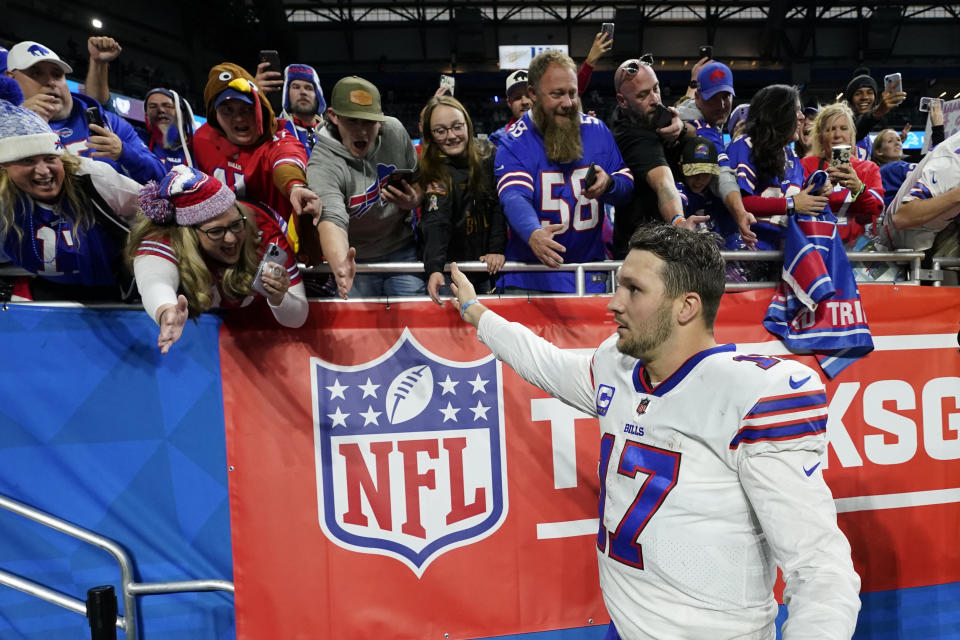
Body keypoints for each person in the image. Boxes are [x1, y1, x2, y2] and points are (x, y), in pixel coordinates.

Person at [446, 224, 861, 640]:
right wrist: (474, 310)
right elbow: (544, 362)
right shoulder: (619, 366)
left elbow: (819, 565)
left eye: (633, 289)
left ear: (686, 307)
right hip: (625, 629)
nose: (613, 303)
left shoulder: (754, 395)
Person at [494, 49, 634, 293]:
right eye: (557, 94)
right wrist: (533, 232)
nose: (568, 103)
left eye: (572, 92)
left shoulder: (598, 131)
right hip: (531, 278)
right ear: (533, 94)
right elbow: (514, 195)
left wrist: (609, 183)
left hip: (588, 277)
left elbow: (626, 184)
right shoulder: (513, 140)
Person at [128, 165, 307, 354]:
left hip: (259, 337)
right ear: (190, 234)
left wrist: (280, 297)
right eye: (216, 231)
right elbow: (155, 282)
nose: (231, 238)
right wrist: (165, 311)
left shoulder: (264, 229)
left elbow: (298, 317)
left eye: (236, 224)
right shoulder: (167, 237)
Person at [0, 92, 141, 301]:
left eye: (50, 159)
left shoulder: (93, 178)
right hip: (50, 289)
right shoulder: (4, 199)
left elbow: (154, 216)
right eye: (28, 161)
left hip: (119, 288)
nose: (44, 171)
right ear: (4, 169)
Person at [306, 75, 424, 298]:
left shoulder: (395, 132)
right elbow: (331, 218)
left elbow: (420, 182)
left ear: (380, 120)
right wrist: (341, 263)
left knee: (412, 321)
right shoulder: (323, 162)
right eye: (352, 120)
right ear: (334, 117)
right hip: (354, 258)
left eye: (368, 121)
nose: (361, 131)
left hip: (401, 248)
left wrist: (414, 199)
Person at [192, 62, 320, 260]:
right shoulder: (202, 139)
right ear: (214, 115)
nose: (239, 118)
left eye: (247, 109)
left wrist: (295, 186)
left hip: (276, 250)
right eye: (228, 110)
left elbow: (286, 163)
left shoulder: (280, 137)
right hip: (224, 249)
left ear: (261, 109)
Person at [5, 40, 165, 184]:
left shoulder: (108, 122)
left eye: (57, 74)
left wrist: (124, 152)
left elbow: (161, 176)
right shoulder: (6, 126)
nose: (51, 82)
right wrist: (19, 126)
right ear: (10, 78)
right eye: (36, 73)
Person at [607, 58, 712, 258]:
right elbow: (663, 183)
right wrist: (679, 223)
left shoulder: (638, 113)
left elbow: (687, 130)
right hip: (644, 251)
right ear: (622, 100)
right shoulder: (633, 137)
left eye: (656, 88)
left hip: (656, 245)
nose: (655, 99)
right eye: (643, 95)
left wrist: (680, 126)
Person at [417, 95, 507, 304]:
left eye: (457, 127)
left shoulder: (487, 157)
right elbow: (436, 221)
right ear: (430, 135)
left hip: (485, 268)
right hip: (449, 272)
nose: (451, 136)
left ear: (468, 125)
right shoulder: (430, 168)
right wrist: (435, 269)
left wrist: (496, 249)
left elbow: (497, 207)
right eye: (440, 131)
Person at [723, 84, 828, 254]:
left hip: (781, 254)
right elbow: (740, 202)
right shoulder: (745, 145)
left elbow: (799, 202)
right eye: (795, 110)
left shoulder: (791, 155)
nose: (801, 117)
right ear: (777, 113)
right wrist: (791, 204)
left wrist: (818, 190)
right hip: (744, 252)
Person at [801, 102, 884, 246]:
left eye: (843, 128)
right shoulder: (806, 165)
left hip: (856, 252)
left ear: (852, 134)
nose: (837, 135)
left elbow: (875, 212)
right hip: (816, 246)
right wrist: (817, 190)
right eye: (830, 129)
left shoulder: (868, 168)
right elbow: (796, 206)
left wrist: (859, 189)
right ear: (820, 136)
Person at [878, 129, 960, 259]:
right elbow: (901, 217)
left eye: (898, 140)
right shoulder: (890, 169)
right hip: (908, 243)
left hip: (933, 231)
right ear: (878, 151)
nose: (897, 144)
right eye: (890, 141)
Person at [843, 72, 906, 160]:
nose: (864, 97)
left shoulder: (867, 136)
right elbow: (856, 129)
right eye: (858, 93)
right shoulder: (843, 123)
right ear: (850, 100)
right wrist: (877, 112)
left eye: (869, 92)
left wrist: (893, 144)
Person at [143, 88, 196, 170]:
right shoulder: (139, 141)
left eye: (168, 105)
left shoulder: (200, 148)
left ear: (184, 117)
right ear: (146, 117)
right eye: (153, 107)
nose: (160, 110)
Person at [279, 63, 326, 157]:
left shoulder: (332, 133)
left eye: (309, 88)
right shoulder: (275, 130)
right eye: (296, 87)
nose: (303, 92)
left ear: (318, 96)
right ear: (287, 94)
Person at [488, 69, 531, 148]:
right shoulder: (497, 140)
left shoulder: (554, 133)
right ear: (509, 103)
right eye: (517, 98)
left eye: (529, 96)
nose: (524, 102)